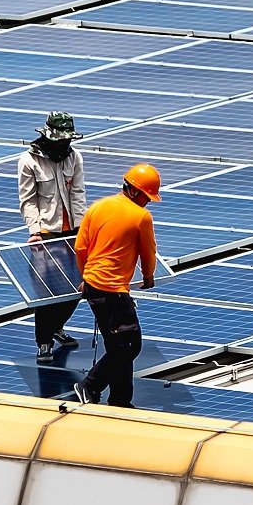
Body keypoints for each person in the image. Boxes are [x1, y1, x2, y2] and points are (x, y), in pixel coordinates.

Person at [73, 162, 161, 409]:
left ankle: (121, 400)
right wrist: (148, 277)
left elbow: (81, 248)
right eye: (146, 197)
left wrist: (86, 276)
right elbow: (148, 252)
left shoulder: (98, 207)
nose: (147, 202)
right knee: (129, 345)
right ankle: (89, 385)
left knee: (119, 344)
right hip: (112, 291)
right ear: (134, 191)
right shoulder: (141, 217)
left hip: (94, 285)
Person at [18, 112, 87, 364]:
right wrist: (35, 231)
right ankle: (43, 341)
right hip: (46, 232)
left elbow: (78, 193)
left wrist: (82, 228)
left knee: (79, 286)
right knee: (47, 292)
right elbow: (29, 199)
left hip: (73, 231)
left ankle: (57, 326)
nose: (65, 145)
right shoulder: (29, 160)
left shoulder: (75, 157)